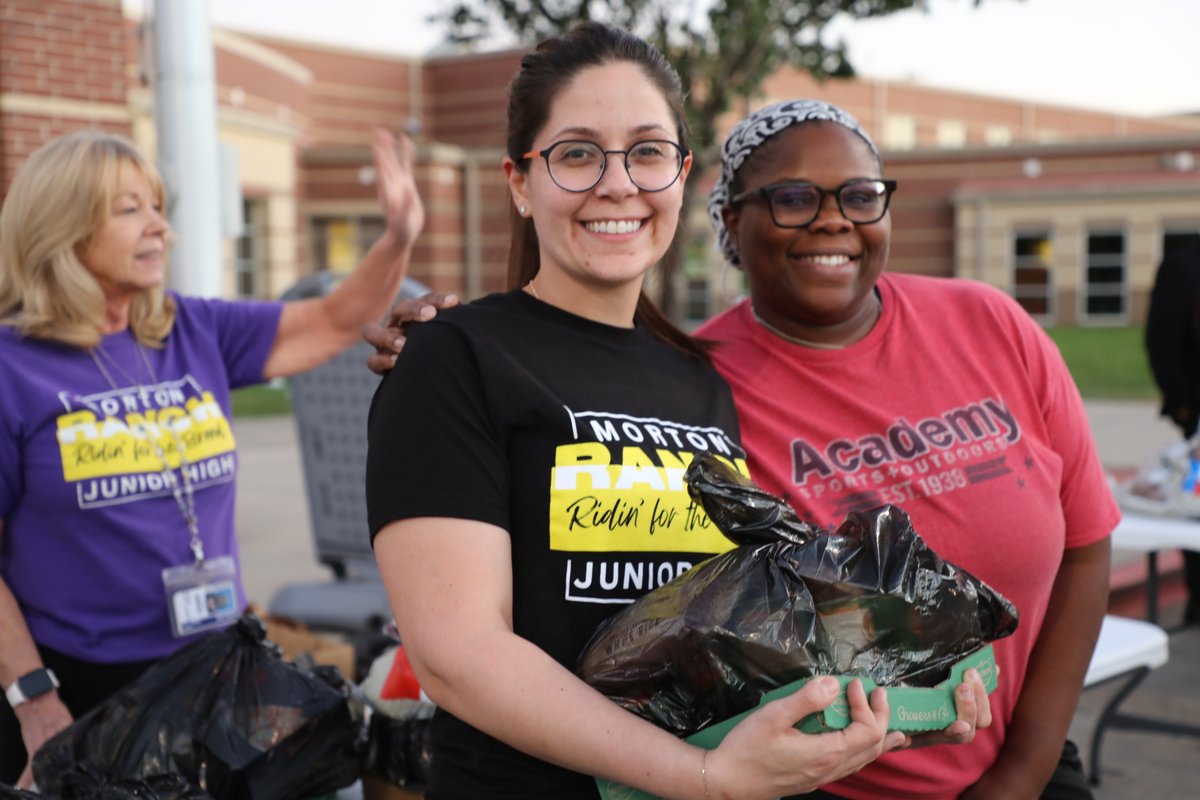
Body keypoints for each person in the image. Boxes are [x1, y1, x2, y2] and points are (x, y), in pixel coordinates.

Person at [370, 96, 1118, 800]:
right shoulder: (694, 386)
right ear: (730, 220)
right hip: (813, 779)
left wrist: (1022, 771)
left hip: (1021, 760)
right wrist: (451, 343)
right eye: (794, 198)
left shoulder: (992, 326)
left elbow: (1086, 546)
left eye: (860, 196)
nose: (834, 221)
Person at [0, 126, 423, 788]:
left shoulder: (188, 328)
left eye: (158, 207)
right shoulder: (11, 366)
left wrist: (397, 238)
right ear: (61, 228)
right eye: (129, 208)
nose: (160, 229)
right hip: (81, 692)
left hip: (217, 669)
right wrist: (33, 700)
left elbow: (338, 320)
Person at [1143, 237, 1200, 626]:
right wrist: (1182, 403)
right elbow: (1161, 339)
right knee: (1195, 510)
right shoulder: (1184, 265)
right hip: (1198, 413)